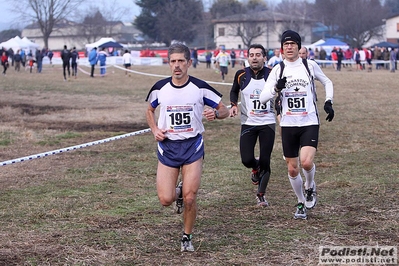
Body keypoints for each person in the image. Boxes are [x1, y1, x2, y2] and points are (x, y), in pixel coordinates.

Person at [145, 42, 229, 252]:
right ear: (169, 63)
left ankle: (187, 236)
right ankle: (179, 191)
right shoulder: (159, 88)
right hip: (168, 147)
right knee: (165, 199)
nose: (177, 65)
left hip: (192, 146)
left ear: (189, 63)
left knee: (191, 197)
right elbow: (149, 110)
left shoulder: (200, 87)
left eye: (181, 61)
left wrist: (216, 114)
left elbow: (224, 110)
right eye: (173, 61)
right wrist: (155, 128)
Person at [260, 30, 334, 220]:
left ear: (299, 47)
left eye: (293, 44)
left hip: (309, 121)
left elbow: (327, 81)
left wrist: (328, 101)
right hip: (288, 124)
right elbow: (263, 97)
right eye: (286, 44)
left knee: (307, 162)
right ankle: (301, 201)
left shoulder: (309, 66)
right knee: (292, 168)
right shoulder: (278, 70)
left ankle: (310, 186)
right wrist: (277, 88)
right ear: (282, 49)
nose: (290, 47)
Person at [229, 44, 275, 206]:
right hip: (248, 123)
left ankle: (261, 195)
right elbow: (234, 90)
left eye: (258, 55)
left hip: (268, 123)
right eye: (251, 55)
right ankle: (255, 168)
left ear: (264, 57)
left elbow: (280, 92)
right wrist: (233, 104)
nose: (254, 58)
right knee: (246, 159)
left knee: (266, 160)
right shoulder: (241, 74)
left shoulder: (272, 73)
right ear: (247, 57)